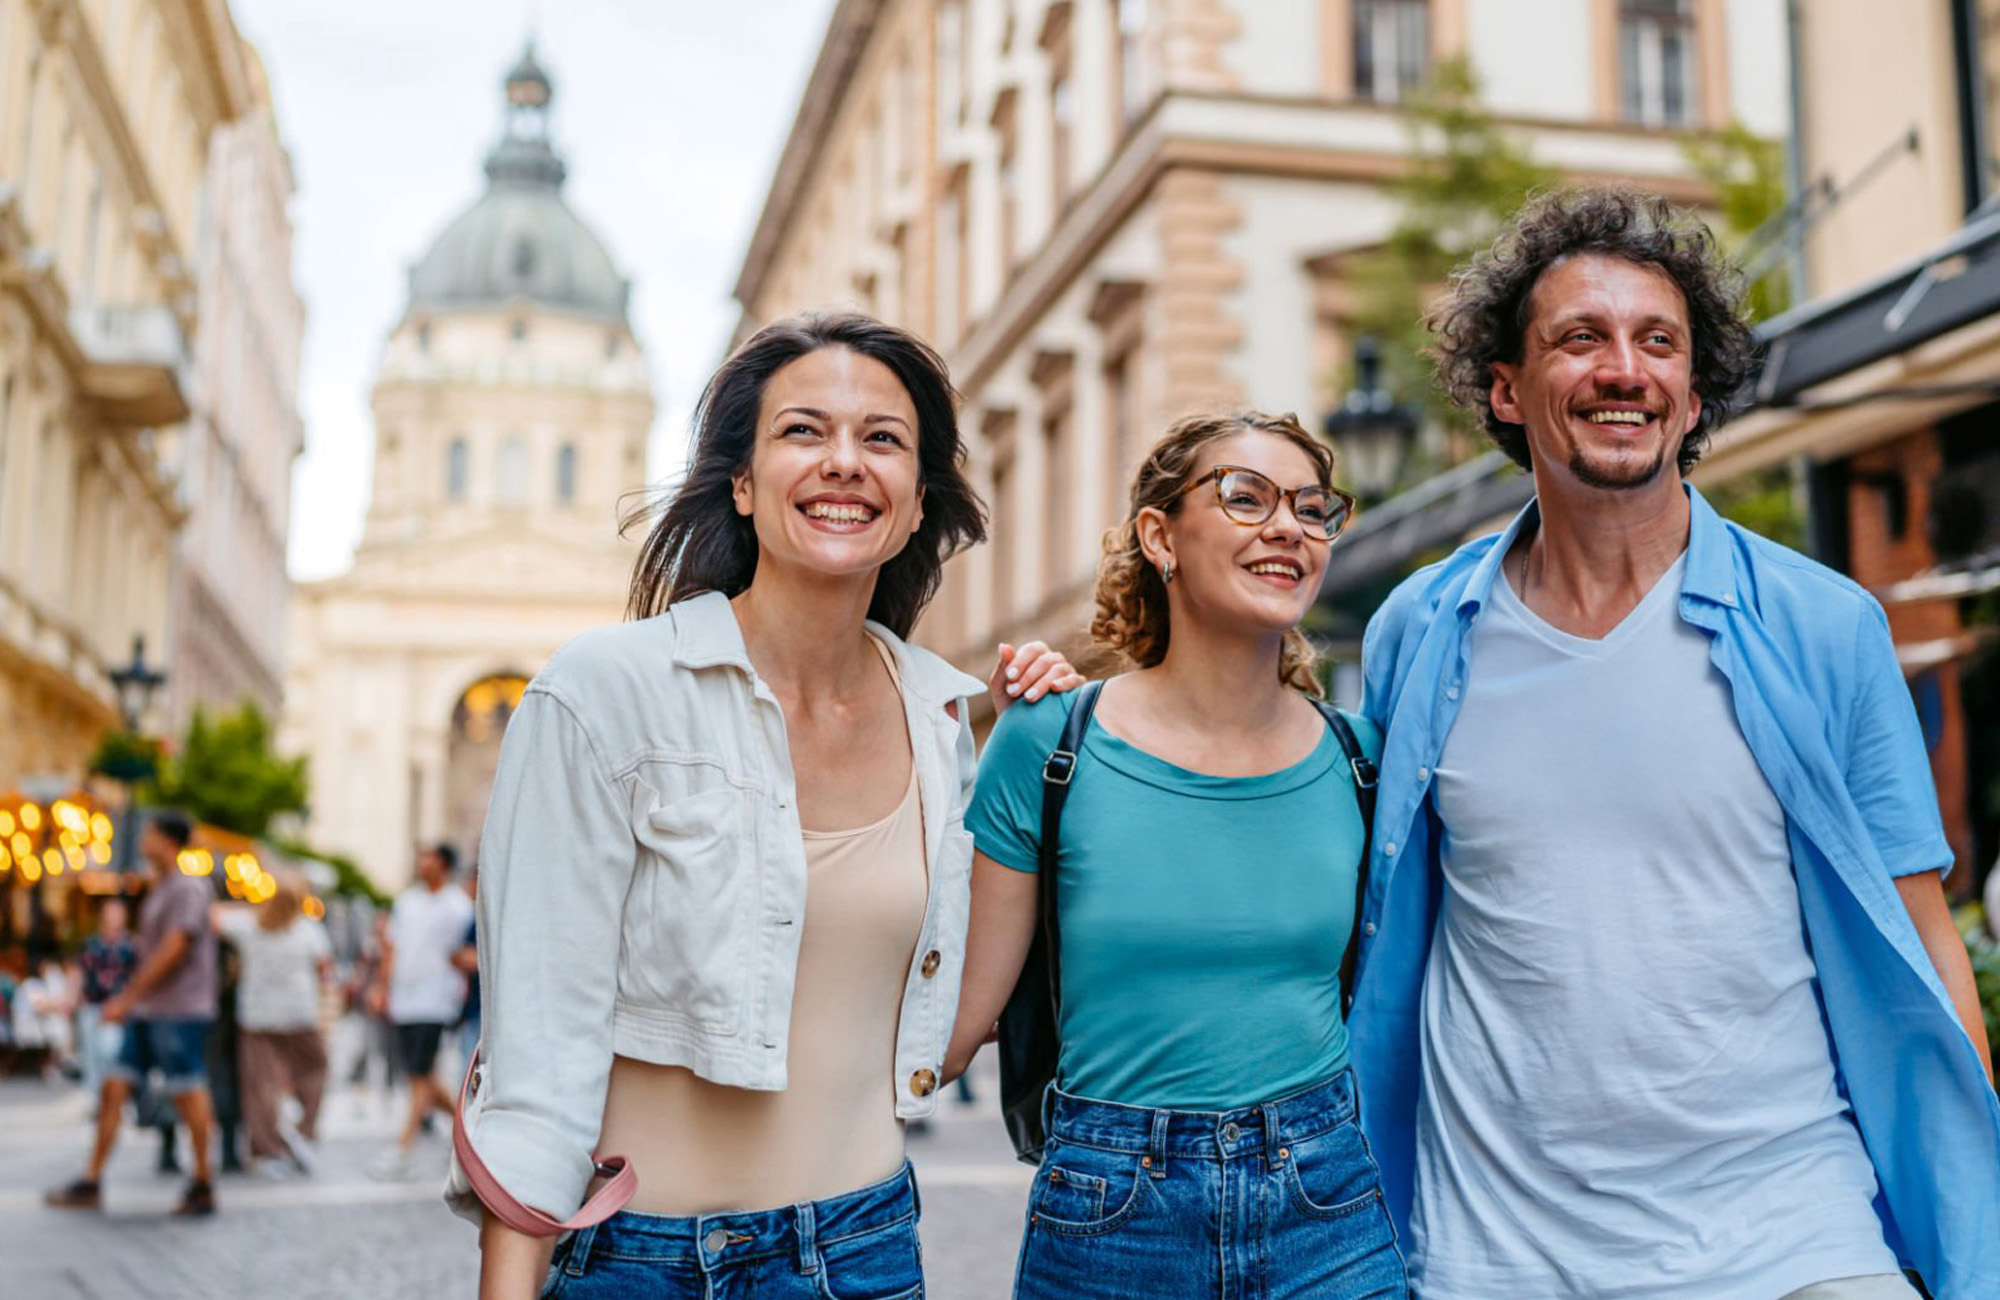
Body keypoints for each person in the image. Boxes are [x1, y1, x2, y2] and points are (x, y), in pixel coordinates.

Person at [1352, 188, 2000, 1300]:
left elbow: (1924, 936)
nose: (1622, 369)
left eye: (1657, 342)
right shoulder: (1418, 629)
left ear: (1691, 391)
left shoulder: (1822, 626)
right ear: (1504, 388)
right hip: (1498, 1252)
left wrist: (1977, 1207)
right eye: (1578, 338)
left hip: (1791, 1230)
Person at [447, 311, 1081, 1300]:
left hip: (864, 1249)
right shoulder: (604, 691)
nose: (842, 461)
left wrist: (1043, 733)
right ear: (741, 484)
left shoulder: (942, 718)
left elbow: (950, 1012)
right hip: (642, 1263)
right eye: (802, 431)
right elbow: (538, 1049)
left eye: (881, 439)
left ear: (917, 504)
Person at [947, 412, 1405, 1300]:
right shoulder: (1047, 741)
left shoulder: (1363, 758)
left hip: (1329, 1204)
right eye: (1246, 497)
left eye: (1313, 509)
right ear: (1160, 536)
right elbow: (954, 1024)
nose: (1288, 527)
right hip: (1113, 1214)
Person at [45, 810, 222, 1217]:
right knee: (115, 1085)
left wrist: (127, 998)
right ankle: (91, 1179)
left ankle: (202, 1180)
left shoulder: (187, 888)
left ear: (168, 840)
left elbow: (174, 949)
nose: (143, 840)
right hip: (150, 1009)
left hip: (179, 1008)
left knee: (187, 1088)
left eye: (150, 833)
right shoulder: (161, 887)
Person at [369, 843, 474, 1180]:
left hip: (437, 999)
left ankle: (403, 1149)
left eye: (428, 857)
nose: (421, 863)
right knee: (422, 1076)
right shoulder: (406, 902)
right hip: (406, 999)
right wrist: (383, 988)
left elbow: (466, 950)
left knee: (419, 1074)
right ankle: (468, 1132)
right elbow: (392, 948)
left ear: (442, 864)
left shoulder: (458, 906)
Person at [219, 872, 332, 1176]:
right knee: (314, 1069)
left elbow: (213, 918)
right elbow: (324, 969)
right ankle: (302, 1128)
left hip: (257, 1016)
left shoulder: (249, 928)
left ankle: (269, 1148)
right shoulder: (308, 930)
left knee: (260, 1084)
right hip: (299, 1013)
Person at [75, 899, 138, 1102]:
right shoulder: (91, 944)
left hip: (119, 1008)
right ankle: (95, 1098)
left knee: (113, 1054)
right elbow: (80, 973)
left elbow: (137, 977)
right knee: (91, 1055)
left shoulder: (131, 945)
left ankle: (118, 1100)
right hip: (93, 1004)